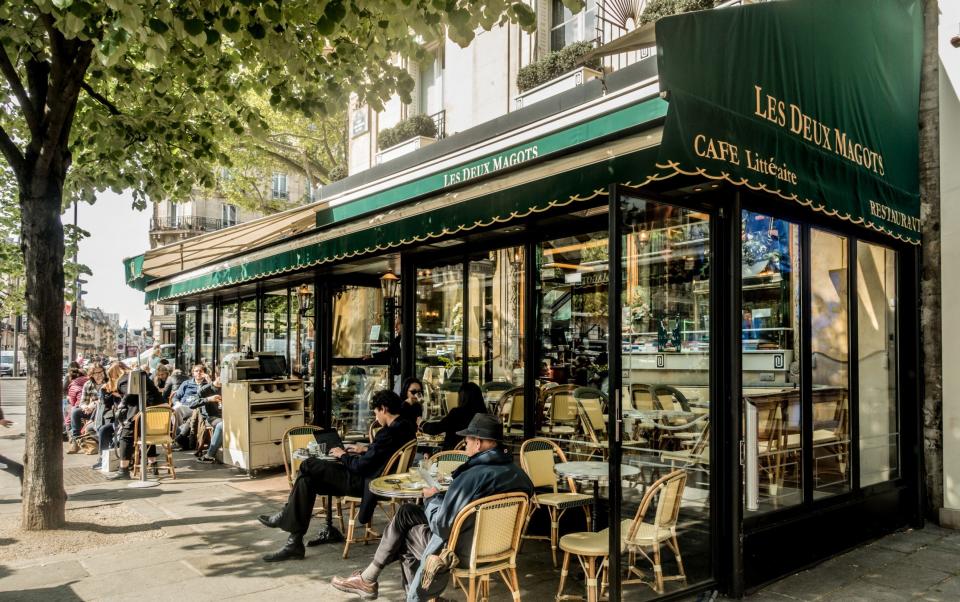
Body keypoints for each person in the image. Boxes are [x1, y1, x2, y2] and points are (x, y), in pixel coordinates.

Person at [331, 413, 534, 600]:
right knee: (406, 512)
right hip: (500, 547)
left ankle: (378, 583)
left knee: (406, 535)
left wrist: (432, 499)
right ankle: (369, 579)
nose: (465, 444)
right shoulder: (519, 475)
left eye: (468, 440)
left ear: (478, 443)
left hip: (458, 552)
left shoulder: (472, 476)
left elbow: (441, 526)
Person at [257, 390, 417, 562]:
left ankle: (285, 517)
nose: (375, 415)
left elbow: (359, 466)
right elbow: (382, 454)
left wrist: (342, 455)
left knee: (308, 464)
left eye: (376, 411)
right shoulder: (405, 427)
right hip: (376, 480)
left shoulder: (387, 433)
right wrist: (365, 450)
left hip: (363, 483)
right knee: (307, 481)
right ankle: (294, 544)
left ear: (384, 409)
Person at [105, 366, 165, 480]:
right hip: (160, 415)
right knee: (146, 433)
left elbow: (131, 393)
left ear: (114, 374)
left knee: (125, 436)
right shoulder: (141, 376)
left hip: (143, 413)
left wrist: (122, 403)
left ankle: (123, 470)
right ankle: (153, 464)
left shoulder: (123, 379)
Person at [420, 381, 487, 451]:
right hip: (476, 455)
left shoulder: (457, 413)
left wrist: (422, 424)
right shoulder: (484, 416)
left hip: (453, 456)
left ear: (462, 397)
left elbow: (435, 429)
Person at [67, 363, 105, 453]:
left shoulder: (108, 382)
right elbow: (83, 401)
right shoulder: (88, 384)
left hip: (104, 410)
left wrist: (94, 404)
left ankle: (93, 442)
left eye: (100, 372)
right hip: (91, 410)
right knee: (75, 411)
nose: (99, 375)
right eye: (96, 373)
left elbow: (106, 400)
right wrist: (86, 407)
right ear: (91, 374)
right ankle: (76, 441)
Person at [195, 374, 224, 464]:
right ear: (216, 376)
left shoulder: (228, 387)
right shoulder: (205, 389)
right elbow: (192, 404)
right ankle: (209, 455)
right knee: (222, 424)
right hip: (212, 417)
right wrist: (208, 399)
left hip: (228, 415)